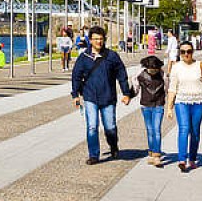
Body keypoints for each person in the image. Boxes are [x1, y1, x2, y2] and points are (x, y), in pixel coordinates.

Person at [71, 25, 133, 165]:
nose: (99, 41)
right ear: (90, 40)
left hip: (108, 97)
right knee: (92, 126)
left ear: (104, 39)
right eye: (95, 39)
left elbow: (122, 75)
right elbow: (76, 76)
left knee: (110, 127)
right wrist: (75, 95)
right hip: (90, 96)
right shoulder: (84, 57)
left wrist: (126, 93)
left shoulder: (112, 56)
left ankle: (113, 145)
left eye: (101, 39)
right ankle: (94, 155)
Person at [167, 40, 202, 172]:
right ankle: (182, 159)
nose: (186, 54)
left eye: (188, 51)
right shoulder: (176, 67)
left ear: (193, 52)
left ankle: (192, 158)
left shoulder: (201, 65)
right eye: (183, 52)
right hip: (181, 101)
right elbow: (172, 88)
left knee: (194, 131)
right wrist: (169, 107)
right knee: (184, 128)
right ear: (180, 53)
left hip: (199, 102)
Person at [135, 55, 167, 167]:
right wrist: (128, 96)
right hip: (146, 105)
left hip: (159, 105)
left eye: (155, 69)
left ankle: (157, 155)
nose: (153, 72)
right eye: (150, 69)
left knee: (156, 129)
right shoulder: (141, 75)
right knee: (150, 130)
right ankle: (151, 152)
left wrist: (172, 101)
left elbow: (168, 88)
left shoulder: (163, 75)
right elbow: (135, 88)